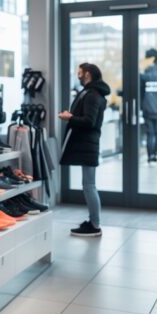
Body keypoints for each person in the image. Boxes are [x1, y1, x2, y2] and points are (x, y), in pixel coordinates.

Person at [59, 63, 111, 237]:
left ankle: (95, 225)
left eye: (79, 73)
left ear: (87, 75)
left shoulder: (92, 95)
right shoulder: (92, 93)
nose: (78, 76)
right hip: (87, 144)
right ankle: (93, 221)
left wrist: (70, 117)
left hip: (88, 143)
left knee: (89, 186)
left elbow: (89, 121)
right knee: (88, 185)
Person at [141, 48, 157, 163]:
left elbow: (140, 93)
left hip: (147, 109)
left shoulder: (144, 77)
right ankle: (155, 154)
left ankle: (150, 156)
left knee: (150, 134)